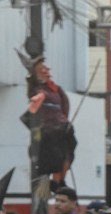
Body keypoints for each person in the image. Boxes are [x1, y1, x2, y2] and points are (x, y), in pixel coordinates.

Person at [18, 51, 76, 186]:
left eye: (45, 67)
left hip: (63, 128)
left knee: (67, 156)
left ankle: (60, 181)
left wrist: (65, 121)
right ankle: (56, 183)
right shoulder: (38, 90)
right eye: (41, 68)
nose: (46, 70)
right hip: (51, 130)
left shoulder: (56, 89)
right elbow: (34, 102)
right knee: (56, 160)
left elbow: (64, 106)